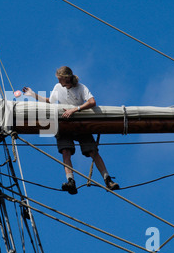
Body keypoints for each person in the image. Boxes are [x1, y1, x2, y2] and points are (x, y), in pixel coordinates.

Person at [22, 66, 119, 194]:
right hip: (64, 124)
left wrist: (75, 109)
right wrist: (33, 94)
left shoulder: (81, 88)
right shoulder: (58, 87)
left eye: (60, 79)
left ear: (67, 78)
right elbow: (50, 102)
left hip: (80, 124)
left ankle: (107, 179)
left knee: (93, 152)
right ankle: (70, 181)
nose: (58, 82)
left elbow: (92, 101)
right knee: (65, 152)